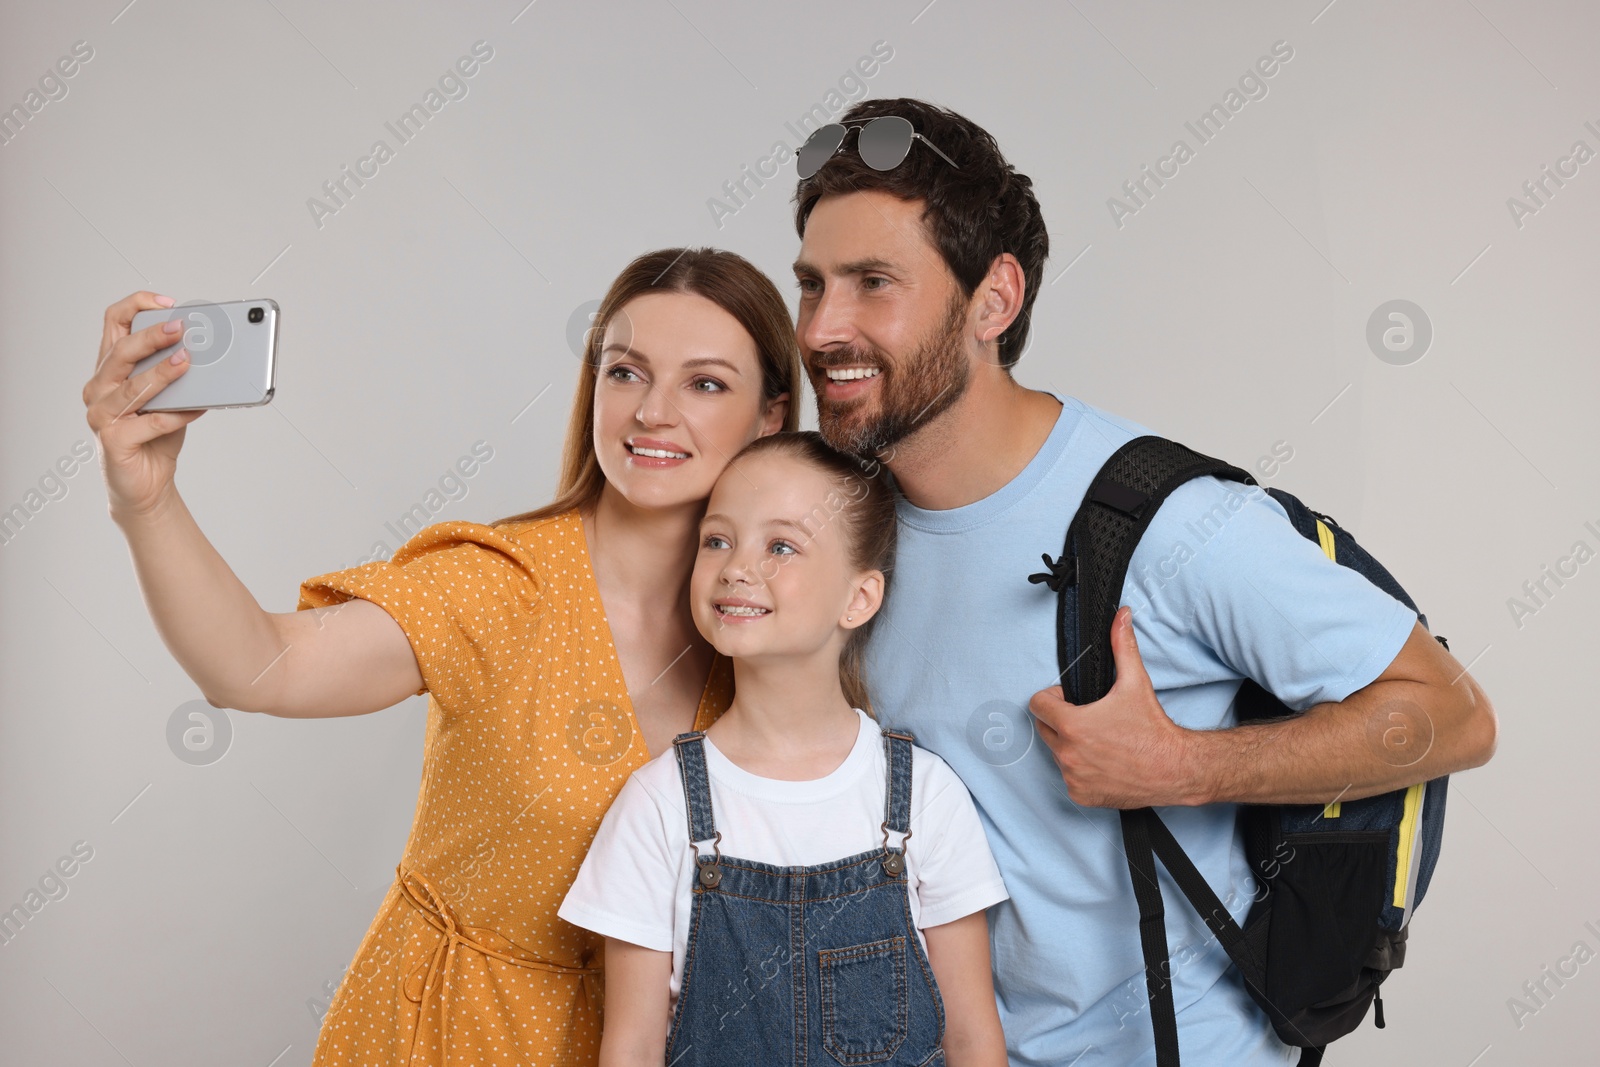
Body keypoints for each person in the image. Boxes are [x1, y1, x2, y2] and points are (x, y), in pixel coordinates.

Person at [786, 99, 1499, 1065]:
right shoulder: (838, 529)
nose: (825, 327)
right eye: (813, 286)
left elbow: (1453, 717)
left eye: (874, 284)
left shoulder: (1171, 522)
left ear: (994, 300)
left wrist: (1183, 767)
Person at [81, 247, 801, 1065]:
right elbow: (261, 664)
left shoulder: (771, 628)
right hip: (442, 1034)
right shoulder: (500, 585)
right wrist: (146, 497)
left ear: (771, 416)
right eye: (626, 372)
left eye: (705, 383)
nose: (653, 412)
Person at [558, 430, 1010, 1066]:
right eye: (717, 539)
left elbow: (971, 1038)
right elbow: (631, 1046)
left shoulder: (924, 796)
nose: (737, 567)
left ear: (859, 598)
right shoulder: (659, 807)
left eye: (781, 546)